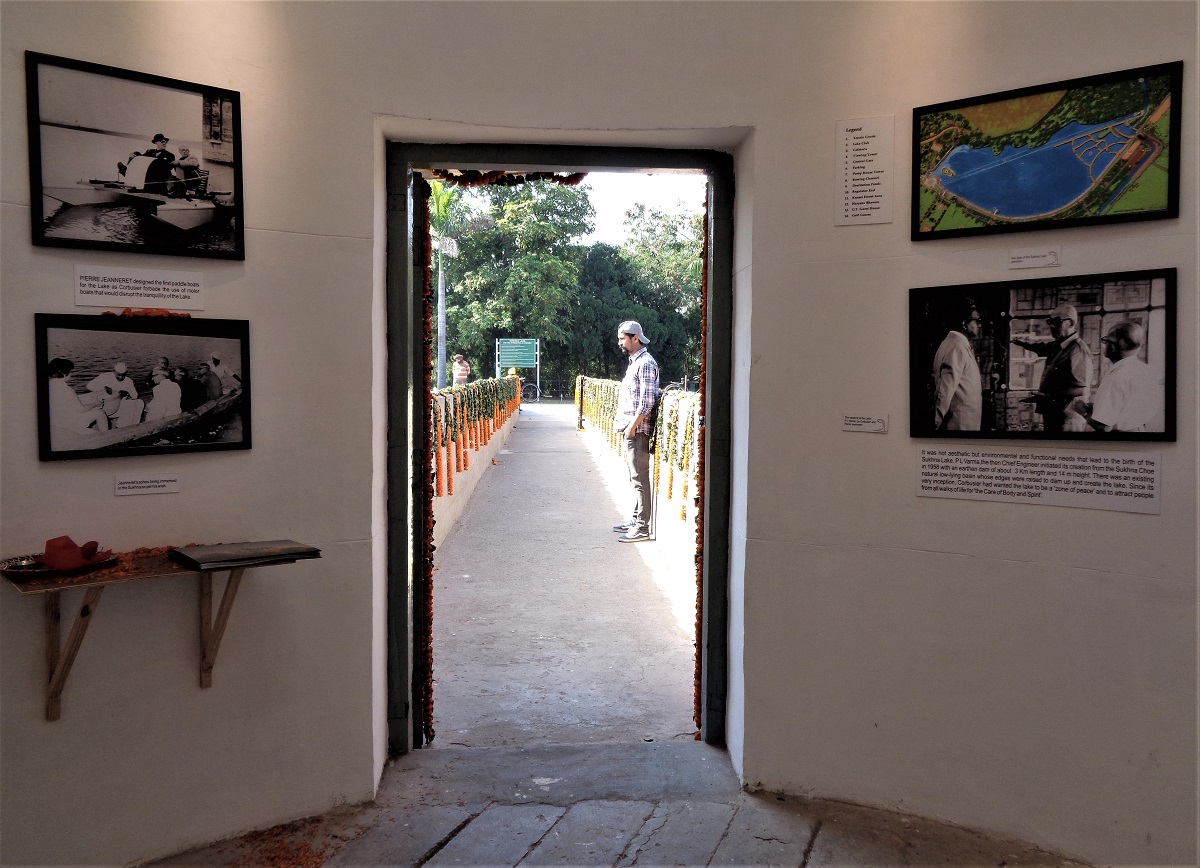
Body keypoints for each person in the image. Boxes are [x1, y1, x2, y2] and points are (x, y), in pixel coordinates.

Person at [1011, 303, 1093, 433]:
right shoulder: (1058, 345)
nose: (1052, 326)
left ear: (1071, 323)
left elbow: (1079, 389)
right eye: (1050, 321)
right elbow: (1041, 347)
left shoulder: (1078, 350)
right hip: (1053, 412)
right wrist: (1020, 342)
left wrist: (1048, 397)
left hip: (1068, 418)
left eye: (1057, 321)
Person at [613, 320, 659, 543]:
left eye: (623, 339)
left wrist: (631, 427)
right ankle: (635, 520)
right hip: (632, 430)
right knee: (636, 478)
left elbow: (646, 402)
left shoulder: (645, 363)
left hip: (638, 431)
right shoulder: (636, 362)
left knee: (640, 479)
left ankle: (642, 528)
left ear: (635, 338)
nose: (620, 342)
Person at [1074, 321, 1163, 433]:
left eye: (1106, 341)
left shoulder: (1115, 377)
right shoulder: (1145, 371)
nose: (1104, 345)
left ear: (1114, 346)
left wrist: (1084, 411)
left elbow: (1103, 426)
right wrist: (1097, 409)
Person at [932, 299, 983, 431]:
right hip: (959, 425)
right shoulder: (957, 347)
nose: (979, 325)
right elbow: (944, 391)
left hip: (962, 424)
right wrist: (933, 426)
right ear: (964, 323)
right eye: (977, 321)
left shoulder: (953, 344)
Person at [47, 358, 110, 447]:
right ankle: (107, 438)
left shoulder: (49, 387)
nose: (71, 374)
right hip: (70, 423)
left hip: (56, 422)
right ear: (65, 374)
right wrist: (96, 404)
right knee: (100, 412)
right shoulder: (67, 390)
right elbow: (80, 409)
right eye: (71, 372)